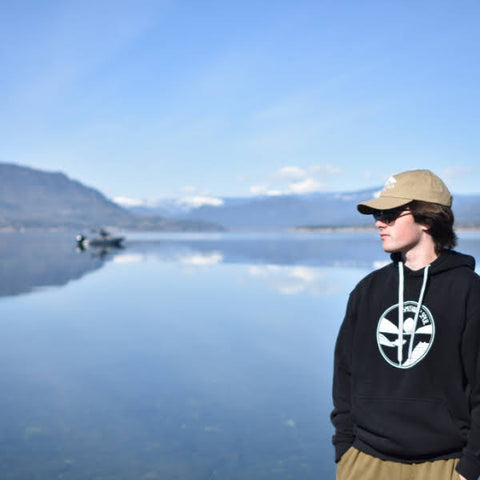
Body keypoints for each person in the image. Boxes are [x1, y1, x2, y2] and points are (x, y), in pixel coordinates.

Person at [331, 169, 480, 480]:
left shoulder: (469, 292)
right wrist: (345, 449)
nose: (379, 223)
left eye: (391, 214)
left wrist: (470, 468)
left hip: (443, 465)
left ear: (427, 219)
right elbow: (344, 374)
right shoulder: (367, 291)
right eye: (378, 214)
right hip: (365, 462)